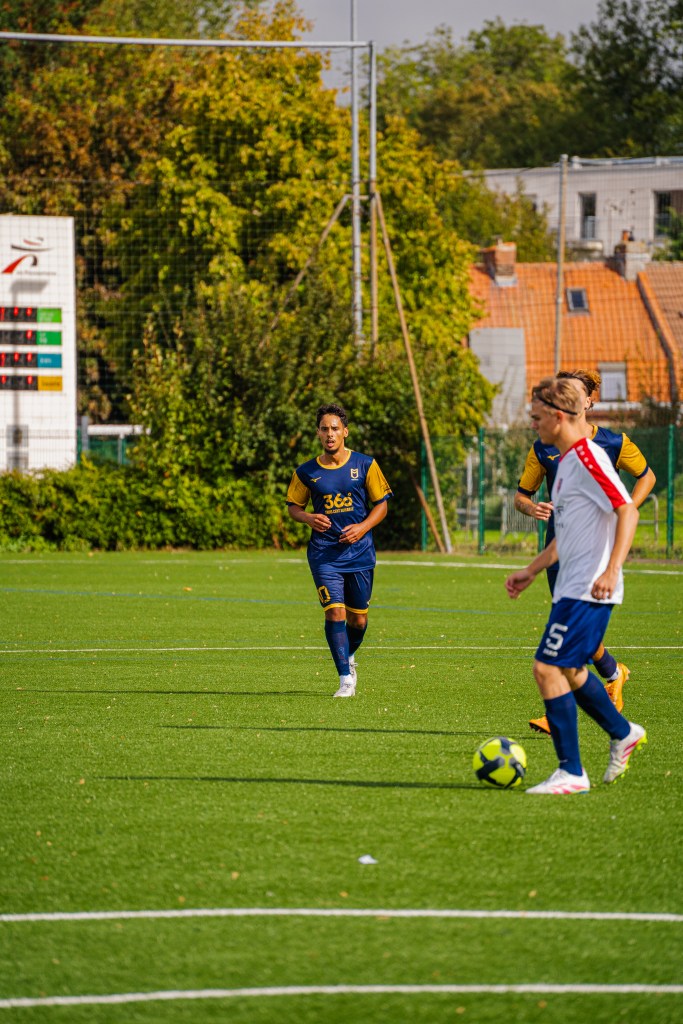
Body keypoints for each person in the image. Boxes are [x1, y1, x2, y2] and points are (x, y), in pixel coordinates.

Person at [505, 377, 647, 795]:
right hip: (571, 586)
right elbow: (564, 535)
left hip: (590, 588)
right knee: (569, 669)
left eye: (537, 417)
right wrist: (531, 570)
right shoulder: (566, 463)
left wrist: (612, 569)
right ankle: (623, 732)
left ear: (558, 416)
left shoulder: (588, 457)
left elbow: (627, 511)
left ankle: (571, 772)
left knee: (547, 668)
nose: (533, 425)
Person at [286, 403, 392, 697]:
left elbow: (381, 506)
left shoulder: (365, 465)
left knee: (358, 620)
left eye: (335, 428)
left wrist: (362, 527)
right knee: (335, 613)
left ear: (345, 432)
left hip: (359, 553)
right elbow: (294, 507)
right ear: (318, 433)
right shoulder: (306, 472)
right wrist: (308, 518)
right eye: (324, 429)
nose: (330, 434)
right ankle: (345, 678)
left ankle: (349, 654)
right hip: (324, 554)